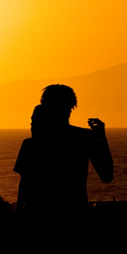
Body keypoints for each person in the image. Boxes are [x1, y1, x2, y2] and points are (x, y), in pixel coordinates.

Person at [13, 84, 113, 224]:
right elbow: (107, 175)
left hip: (37, 216)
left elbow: (25, 185)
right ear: (70, 107)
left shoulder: (31, 143)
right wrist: (101, 138)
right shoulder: (84, 138)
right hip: (73, 214)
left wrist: (17, 215)